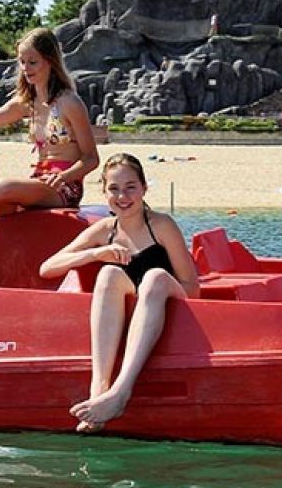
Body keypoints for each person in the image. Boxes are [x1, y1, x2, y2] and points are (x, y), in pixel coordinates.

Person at [38, 153, 199, 433]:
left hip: (170, 296)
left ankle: (122, 390)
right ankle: (99, 390)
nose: (122, 196)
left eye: (130, 187)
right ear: (104, 192)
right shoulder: (104, 230)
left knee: (154, 277)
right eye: (114, 189)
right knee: (109, 273)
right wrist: (95, 253)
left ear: (144, 189)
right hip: (136, 304)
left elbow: (191, 287)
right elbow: (47, 268)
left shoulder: (161, 225)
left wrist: (156, 288)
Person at [0, 28, 99, 250]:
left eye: (32, 62)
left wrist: (64, 177)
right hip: (36, 182)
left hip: (64, 188)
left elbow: (91, 158)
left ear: (49, 61)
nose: (26, 68)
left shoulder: (69, 103)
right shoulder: (26, 103)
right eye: (22, 62)